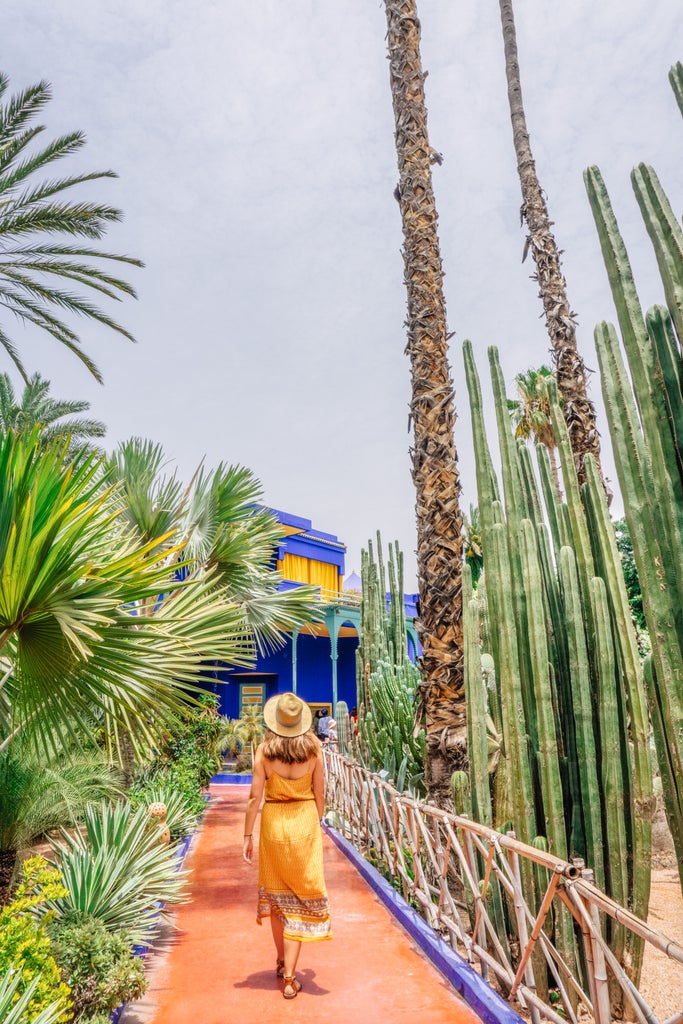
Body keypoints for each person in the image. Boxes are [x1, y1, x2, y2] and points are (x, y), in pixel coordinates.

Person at [242, 692, 331, 999]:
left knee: (279, 901)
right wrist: (315, 822)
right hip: (304, 823)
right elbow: (320, 793)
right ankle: (291, 977)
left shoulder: (265, 751)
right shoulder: (314, 748)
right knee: (298, 902)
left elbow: (254, 797)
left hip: (274, 826)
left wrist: (246, 835)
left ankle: (282, 962)